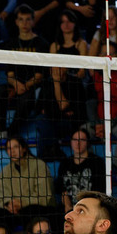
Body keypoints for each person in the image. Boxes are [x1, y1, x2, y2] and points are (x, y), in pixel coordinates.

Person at [0, 6, 50, 142]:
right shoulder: (11, 44)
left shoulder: (41, 43)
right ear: (16, 22)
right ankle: (1, 129)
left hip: (34, 86)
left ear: (33, 21)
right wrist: (16, 85)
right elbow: (9, 72)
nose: (24, 23)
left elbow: (40, 75)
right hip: (15, 84)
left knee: (27, 99)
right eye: (21, 20)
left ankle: (12, 132)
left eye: (28, 20)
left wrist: (24, 86)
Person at [45, 10, 91, 140]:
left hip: (76, 82)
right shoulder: (55, 45)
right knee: (48, 85)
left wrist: (65, 72)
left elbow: (82, 71)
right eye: (63, 22)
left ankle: (74, 115)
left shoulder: (81, 43)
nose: (66, 25)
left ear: (75, 23)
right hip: (60, 80)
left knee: (74, 85)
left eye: (69, 21)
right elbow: (53, 68)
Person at [0, 136, 56, 230]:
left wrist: (22, 203)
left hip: (40, 209)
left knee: (30, 211)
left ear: (24, 148)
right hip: (15, 211)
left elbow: (44, 196)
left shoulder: (39, 165)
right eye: (9, 148)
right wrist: (9, 205)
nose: (12, 151)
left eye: (16, 147)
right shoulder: (5, 171)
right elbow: (2, 196)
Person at [54, 128, 107, 213]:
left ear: (87, 142)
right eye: (75, 139)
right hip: (70, 209)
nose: (78, 143)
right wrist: (68, 206)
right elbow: (62, 189)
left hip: (91, 207)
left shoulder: (97, 162)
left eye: (82, 140)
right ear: (71, 142)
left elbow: (98, 191)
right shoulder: (65, 163)